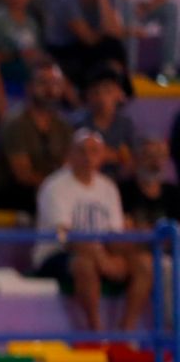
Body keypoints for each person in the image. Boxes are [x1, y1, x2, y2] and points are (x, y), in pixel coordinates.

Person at [32, 127, 150, 329]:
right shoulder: (55, 186)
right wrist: (102, 259)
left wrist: (118, 258)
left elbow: (114, 235)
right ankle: (96, 331)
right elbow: (65, 236)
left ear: (103, 155)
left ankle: (126, 333)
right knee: (84, 264)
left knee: (145, 263)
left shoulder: (108, 188)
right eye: (82, 151)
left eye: (94, 151)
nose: (88, 157)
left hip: (99, 252)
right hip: (56, 254)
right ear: (70, 154)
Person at [0, 60, 73, 212]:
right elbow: (23, 175)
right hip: (17, 193)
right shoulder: (15, 123)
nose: (50, 90)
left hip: (53, 190)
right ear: (29, 87)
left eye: (55, 83)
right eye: (43, 83)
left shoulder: (64, 126)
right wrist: (57, 188)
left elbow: (67, 165)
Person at [44, 0, 129, 89]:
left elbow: (114, 34)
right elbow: (88, 38)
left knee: (114, 47)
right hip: (64, 50)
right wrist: (115, 31)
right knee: (107, 50)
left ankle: (117, 91)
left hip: (91, 48)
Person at [73, 68, 136, 175]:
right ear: (87, 96)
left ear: (119, 94)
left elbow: (133, 160)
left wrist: (115, 156)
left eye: (108, 91)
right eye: (96, 92)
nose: (102, 98)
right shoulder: (79, 126)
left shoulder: (126, 125)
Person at [120, 135, 177, 227]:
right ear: (136, 158)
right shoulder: (123, 191)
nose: (156, 162)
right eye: (149, 155)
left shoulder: (173, 193)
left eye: (161, 156)